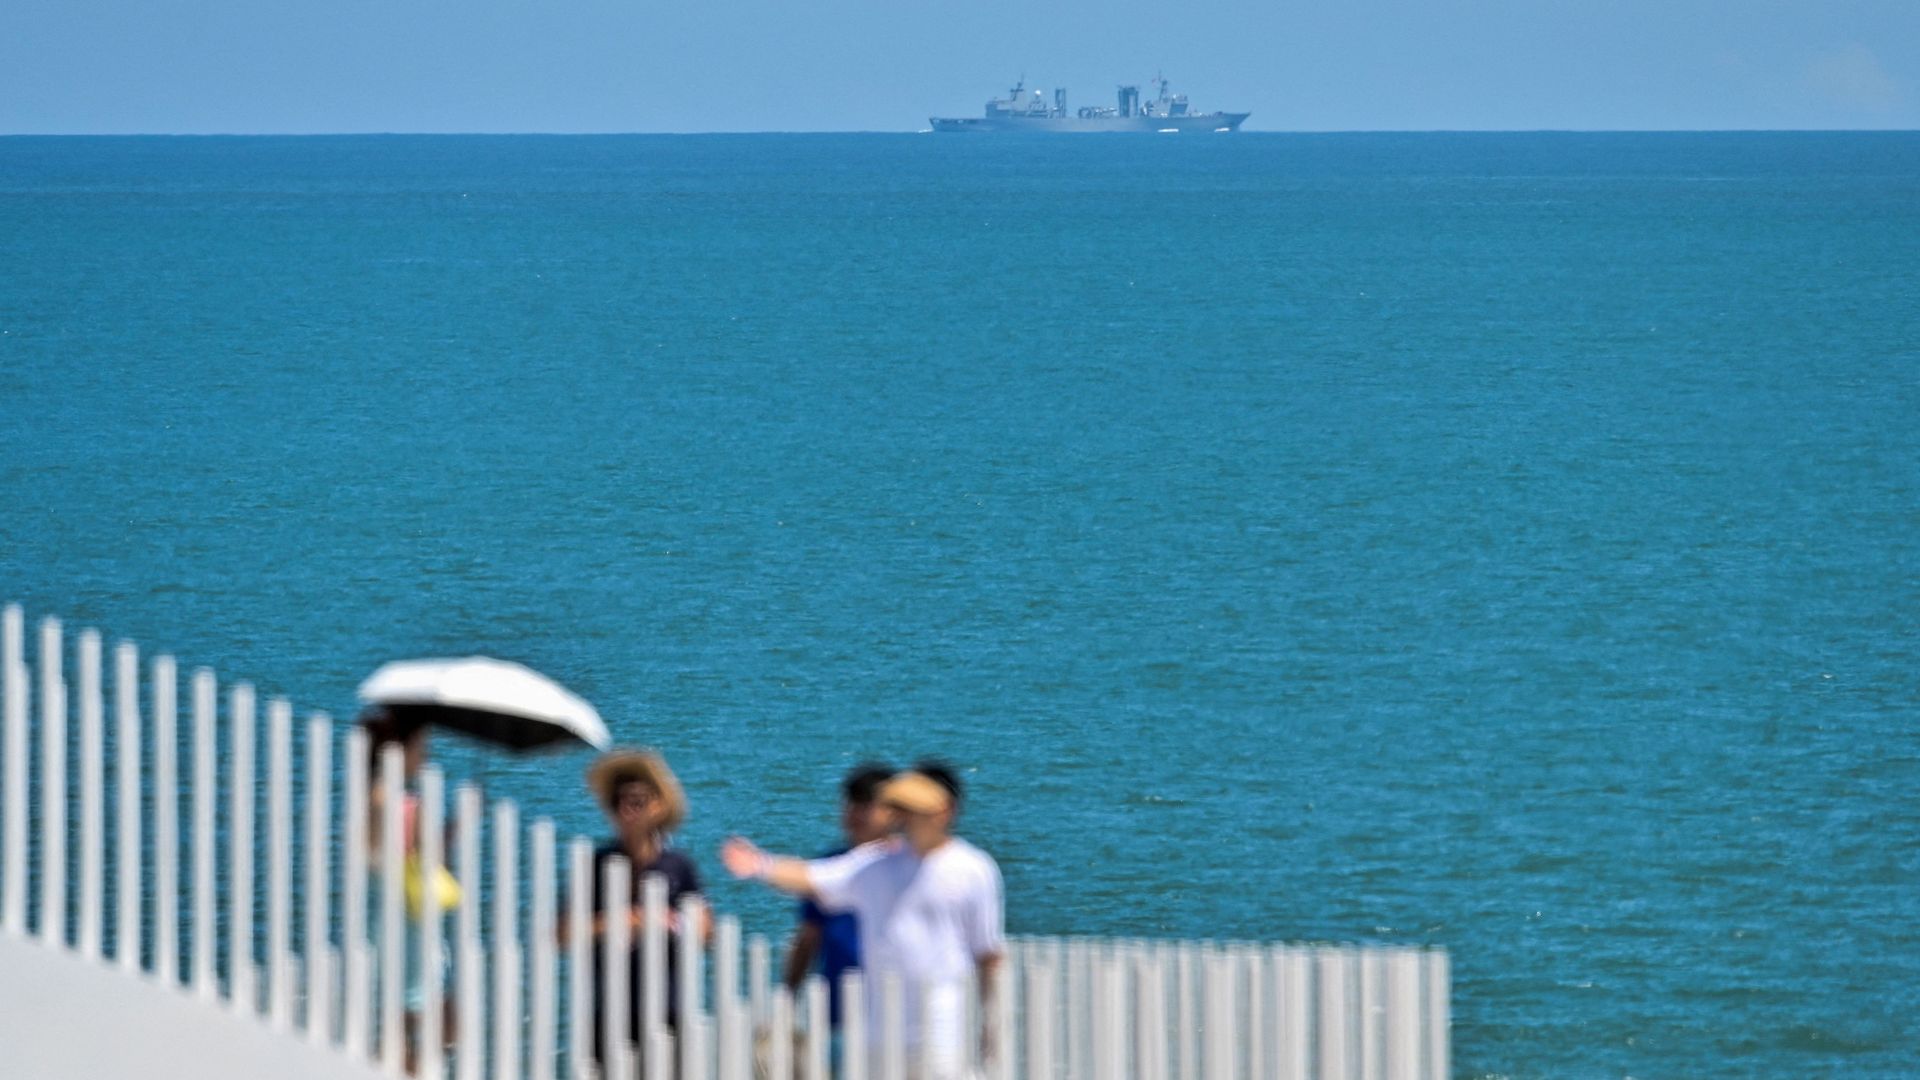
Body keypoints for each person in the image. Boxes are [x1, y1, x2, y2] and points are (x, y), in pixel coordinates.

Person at [723, 760, 1003, 1080]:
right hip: (875, 1034)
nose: (905, 816)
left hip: (942, 1032)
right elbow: (813, 878)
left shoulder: (973, 869)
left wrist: (991, 1027)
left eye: (913, 807)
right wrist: (761, 864)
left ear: (945, 811)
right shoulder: (876, 865)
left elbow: (988, 955)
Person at [561, 748, 709, 1068]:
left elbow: (706, 931)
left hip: (668, 1009)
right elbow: (563, 934)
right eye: (619, 801)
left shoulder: (678, 866)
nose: (628, 810)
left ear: (657, 805)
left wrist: (670, 922)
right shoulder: (596, 864)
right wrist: (620, 920)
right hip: (610, 1011)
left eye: (638, 800)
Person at [361, 709, 458, 1075]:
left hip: (384, 921)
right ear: (399, 750)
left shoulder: (369, 797)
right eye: (422, 746)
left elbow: (390, 859)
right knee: (434, 1021)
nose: (426, 755)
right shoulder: (405, 804)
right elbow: (425, 864)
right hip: (411, 928)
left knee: (397, 1023)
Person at [781, 763, 894, 1032]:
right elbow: (808, 937)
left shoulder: (907, 867)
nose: (856, 814)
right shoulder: (828, 865)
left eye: (866, 805)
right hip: (836, 1012)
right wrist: (787, 997)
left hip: (896, 1012)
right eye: (851, 804)